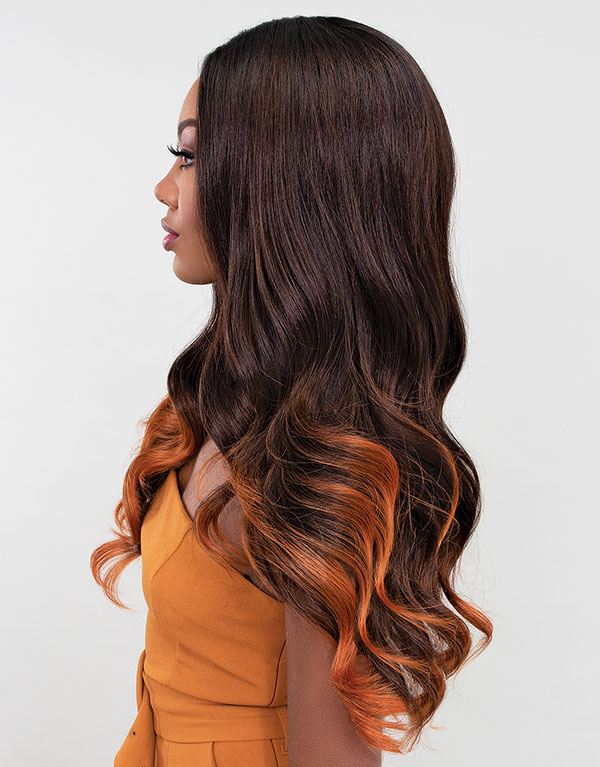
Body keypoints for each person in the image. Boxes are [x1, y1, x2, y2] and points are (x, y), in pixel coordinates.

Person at [90, 15, 493, 767]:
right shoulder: (211, 412)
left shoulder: (321, 473)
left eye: (189, 156)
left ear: (283, 186)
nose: (164, 187)